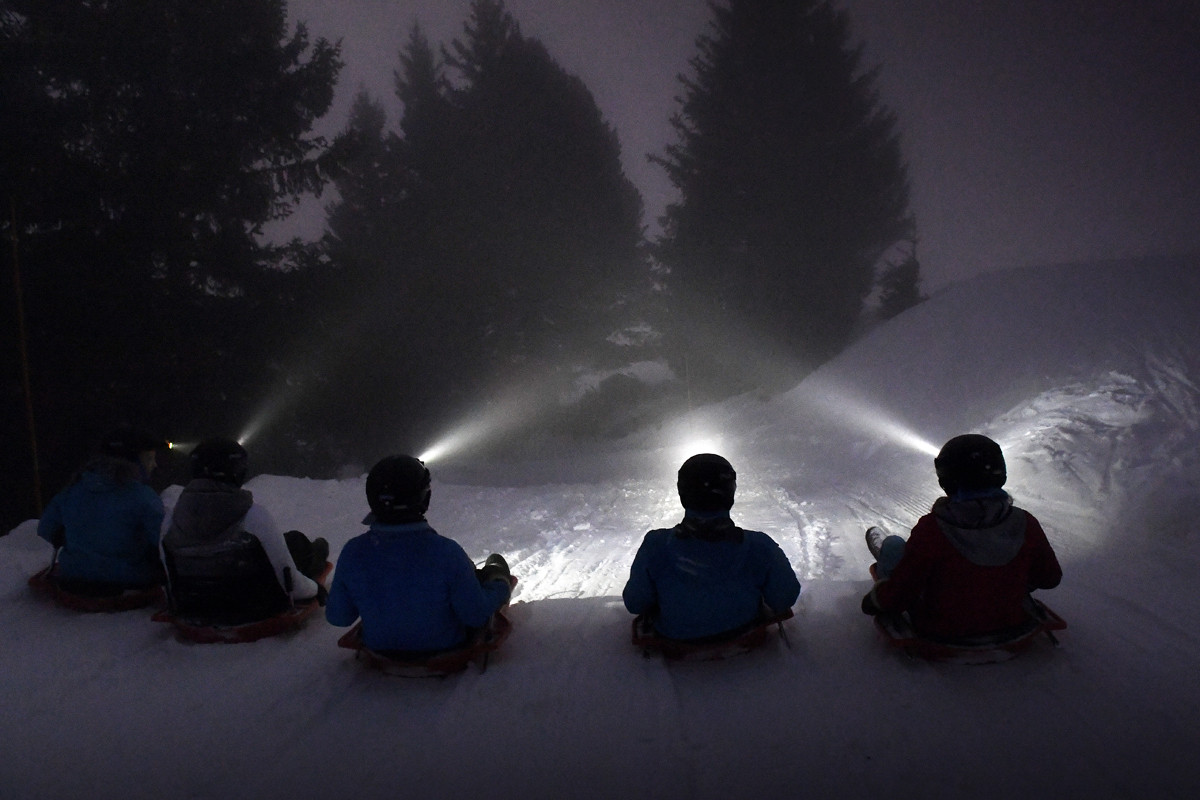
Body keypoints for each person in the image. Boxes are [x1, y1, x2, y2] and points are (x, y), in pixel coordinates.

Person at [861, 433, 1063, 641]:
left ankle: (887, 566)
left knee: (894, 546)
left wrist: (874, 601)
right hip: (1013, 623)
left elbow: (902, 593)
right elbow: (1049, 578)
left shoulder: (933, 529)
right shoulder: (1025, 522)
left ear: (947, 479)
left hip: (944, 631)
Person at [325, 455, 513, 655]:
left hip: (379, 647)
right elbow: (475, 615)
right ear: (424, 498)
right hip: (445, 647)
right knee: (493, 569)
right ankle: (496, 575)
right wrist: (501, 588)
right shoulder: (446, 552)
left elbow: (339, 617)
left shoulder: (353, 552)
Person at [622, 453, 801, 641]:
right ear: (730, 492)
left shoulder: (655, 545)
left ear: (683, 493)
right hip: (745, 634)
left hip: (675, 639)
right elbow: (785, 598)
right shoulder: (760, 546)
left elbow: (635, 603)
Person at [160, 438, 328, 622]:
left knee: (288, 541)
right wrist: (314, 589)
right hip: (254, 607)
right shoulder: (252, 517)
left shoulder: (171, 519)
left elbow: (168, 575)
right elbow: (289, 582)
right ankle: (316, 552)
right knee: (296, 542)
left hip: (193, 607)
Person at [36, 426, 166, 592]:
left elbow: (46, 528)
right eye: (149, 459)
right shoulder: (143, 496)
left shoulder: (73, 489)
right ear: (133, 462)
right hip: (128, 580)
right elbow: (162, 540)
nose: (154, 465)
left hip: (73, 577)